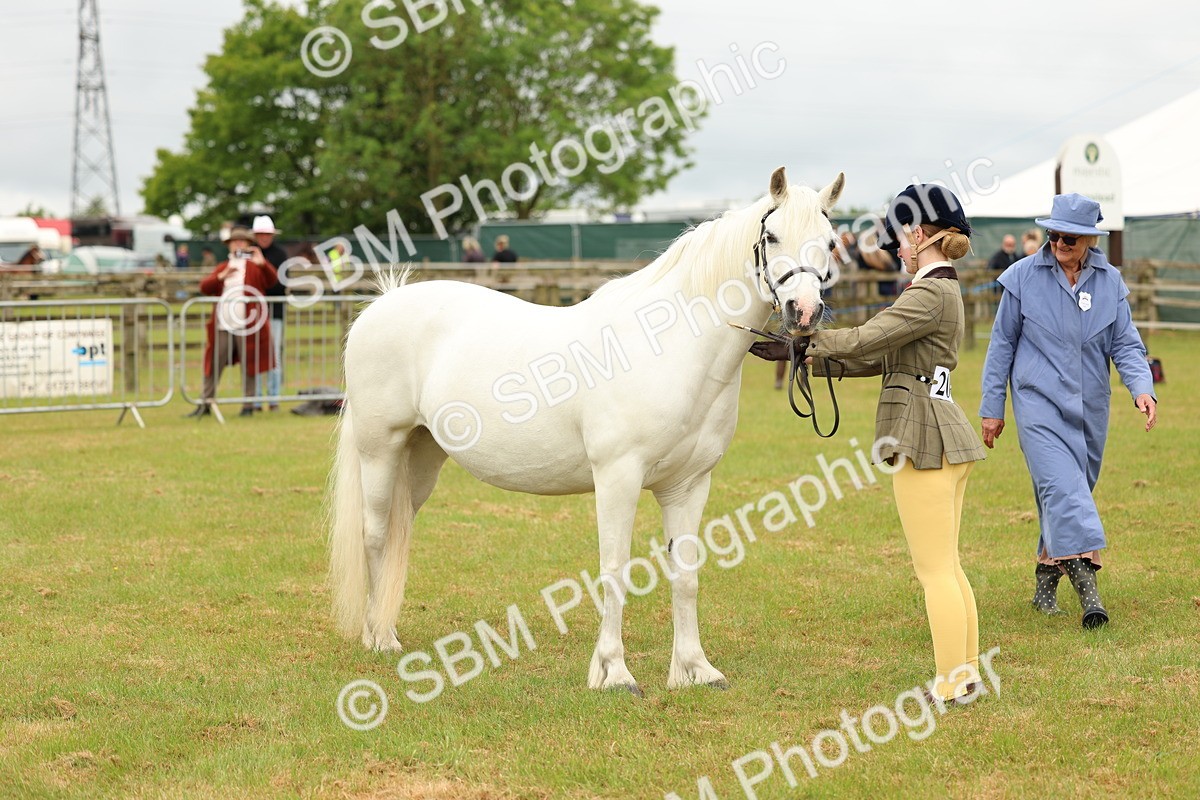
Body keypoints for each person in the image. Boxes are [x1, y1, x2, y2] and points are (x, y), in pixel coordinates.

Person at [751, 184, 987, 704]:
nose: (895, 250)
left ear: (920, 234)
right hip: (943, 429)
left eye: (899, 239)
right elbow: (880, 358)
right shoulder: (941, 288)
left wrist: (806, 337)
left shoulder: (928, 292)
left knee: (934, 572)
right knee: (947, 567)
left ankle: (952, 684)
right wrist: (809, 359)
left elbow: (867, 338)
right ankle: (965, 674)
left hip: (923, 436)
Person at [980, 193, 1157, 629]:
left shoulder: (1110, 282)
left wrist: (1141, 388)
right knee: (1063, 489)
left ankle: (1044, 586)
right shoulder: (1021, 277)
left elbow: (1126, 344)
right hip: (1037, 401)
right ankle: (1087, 588)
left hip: (1091, 405)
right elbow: (1001, 345)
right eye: (1054, 233)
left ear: (1089, 241)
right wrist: (992, 407)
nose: (1060, 242)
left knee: (1069, 492)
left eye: (1070, 237)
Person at [190, 227, 276, 418]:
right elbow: (205, 287)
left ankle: (248, 404)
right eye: (235, 241)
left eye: (242, 241)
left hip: (248, 325)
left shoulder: (255, 266)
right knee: (213, 363)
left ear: (248, 244)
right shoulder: (223, 267)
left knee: (249, 364)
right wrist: (221, 276)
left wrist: (263, 264)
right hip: (223, 323)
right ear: (229, 245)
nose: (238, 244)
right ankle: (205, 401)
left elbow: (272, 281)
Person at [252, 215, 289, 411]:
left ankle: (274, 398)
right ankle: (256, 399)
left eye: (267, 234)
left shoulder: (281, 255)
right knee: (256, 355)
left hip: (274, 311)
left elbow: (279, 284)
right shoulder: (248, 254)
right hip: (253, 313)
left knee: (274, 355)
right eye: (260, 234)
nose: (264, 237)